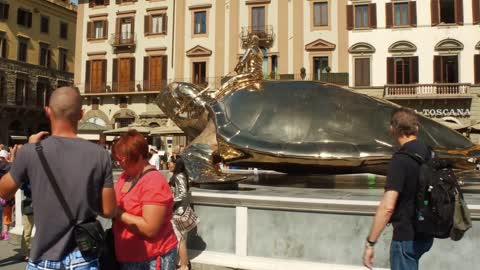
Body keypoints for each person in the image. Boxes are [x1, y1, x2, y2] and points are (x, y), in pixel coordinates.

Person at [0, 87, 117, 269]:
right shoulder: (100, 154)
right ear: (81, 114)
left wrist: (22, 156)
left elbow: (4, 192)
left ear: (47, 111)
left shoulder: (31, 152)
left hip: (43, 257)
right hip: (83, 257)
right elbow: (108, 210)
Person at [363, 108, 434, 270]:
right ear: (416, 128)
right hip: (425, 233)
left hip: (405, 237)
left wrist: (370, 243)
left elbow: (387, 207)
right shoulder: (429, 153)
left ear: (393, 129)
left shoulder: (400, 160)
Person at [112, 130, 178, 270]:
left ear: (139, 156)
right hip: (128, 256)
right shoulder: (125, 177)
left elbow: (150, 229)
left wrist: (117, 213)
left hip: (152, 258)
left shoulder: (153, 181)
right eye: (118, 159)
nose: (120, 163)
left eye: (124, 159)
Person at [168, 157, 193, 270]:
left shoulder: (179, 176)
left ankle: (184, 266)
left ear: (176, 164)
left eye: (171, 163)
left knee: (179, 239)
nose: (169, 164)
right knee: (179, 238)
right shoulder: (181, 175)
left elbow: (183, 194)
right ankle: (182, 264)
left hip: (178, 212)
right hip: (180, 211)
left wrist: (172, 202)